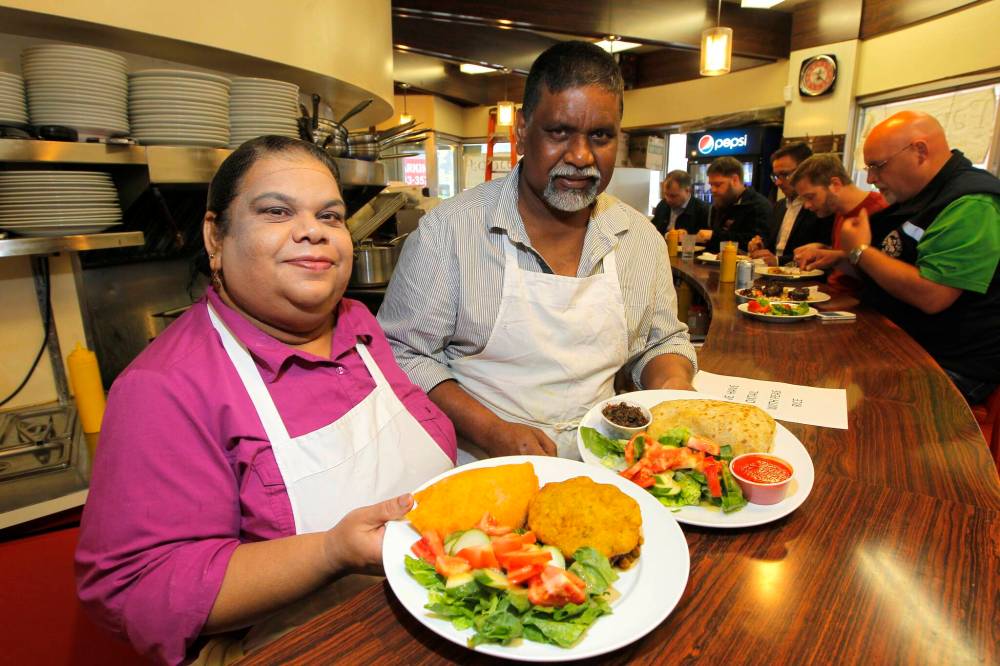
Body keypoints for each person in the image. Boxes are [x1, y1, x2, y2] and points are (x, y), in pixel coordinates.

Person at [75, 136, 457, 665]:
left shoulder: (358, 324)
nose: (312, 230)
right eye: (276, 211)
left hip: (432, 612)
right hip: (301, 643)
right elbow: (137, 589)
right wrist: (331, 553)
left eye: (330, 215)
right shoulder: (164, 387)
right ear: (216, 236)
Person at [378, 41, 697, 461]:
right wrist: (491, 431)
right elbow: (403, 354)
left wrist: (672, 382)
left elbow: (662, 340)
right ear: (523, 130)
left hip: (605, 459)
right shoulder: (448, 233)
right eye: (559, 132)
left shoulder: (639, 239)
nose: (581, 156)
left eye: (600, 136)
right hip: (477, 459)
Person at [841, 111, 1000, 403]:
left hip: (949, 364)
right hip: (900, 345)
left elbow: (933, 294)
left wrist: (859, 252)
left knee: (850, 407)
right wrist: (840, 257)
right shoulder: (919, 197)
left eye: (878, 166)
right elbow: (894, 258)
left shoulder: (972, 203)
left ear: (920, 151)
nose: (872, 178)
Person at [790, 153, 887, 292]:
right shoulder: (839, 210)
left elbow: (880, 274)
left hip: (859, 304)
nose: (807, 205)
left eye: (810, 197)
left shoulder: (878, 210)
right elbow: (847, 254)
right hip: (834, 293)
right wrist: (823, 249)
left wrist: (834, 257)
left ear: (835, 184)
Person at [747, 142, 833, 266]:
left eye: (785, 175)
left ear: (805, 170)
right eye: (776, 176)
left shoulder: (821, 207)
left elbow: (822, 253)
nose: (778, 182)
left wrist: (777, 261)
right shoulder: (779, 206)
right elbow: (773, 247)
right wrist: (759, 245)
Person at [696, 156, 771, 252]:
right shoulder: (721, 204)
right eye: (711, 185)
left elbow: (757, 242)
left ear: (735, 180)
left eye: (718, 185)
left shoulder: (758, 206)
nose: (713, 190)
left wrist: (713, 236)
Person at [651, 169, 710, 236]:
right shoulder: (663, 205)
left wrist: (687, 237)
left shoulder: (703, 210)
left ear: (688, 190)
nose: (668, 199)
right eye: (666, 194)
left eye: (673, 196)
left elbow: (707, 240)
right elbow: (652, 230)